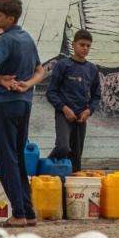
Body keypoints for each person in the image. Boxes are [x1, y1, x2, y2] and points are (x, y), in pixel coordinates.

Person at [0, 0, 45, 227]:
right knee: (18, 157)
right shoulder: (26, 38)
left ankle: (18, 214)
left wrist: (0, 79)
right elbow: (40, 70)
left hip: (6, 103)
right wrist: (28, 85)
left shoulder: (5, 40)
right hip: (24, 103)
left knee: (6, 160)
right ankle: (28, 212)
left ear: (10, 18)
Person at [46, 28, 102, 172]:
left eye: (88, 46)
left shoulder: (92, 69)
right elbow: (51, 92)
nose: (85, 48)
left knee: (76, 156)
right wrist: (64, 109)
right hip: (64, 114)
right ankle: (45, 168)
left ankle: (74, 187)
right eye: (82, 44)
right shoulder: (63, 65)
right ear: (73, 45)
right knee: (63, 147)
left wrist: (88, 111)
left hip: (81, 117)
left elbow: (96, 95)